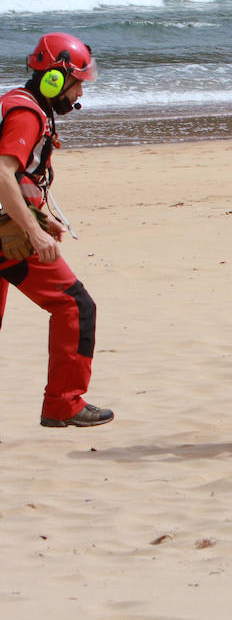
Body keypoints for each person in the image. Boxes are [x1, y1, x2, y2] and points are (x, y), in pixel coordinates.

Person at [0, 33, 110, 428]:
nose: (79, 91)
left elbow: (18, 180)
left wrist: (42, 218)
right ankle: (64, 404)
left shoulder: (17, 103)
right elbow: (2, 174)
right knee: (74, 306)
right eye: (76, 82)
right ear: (53, 79)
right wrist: (34, 232)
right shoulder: (27, 115)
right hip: (5, 236)